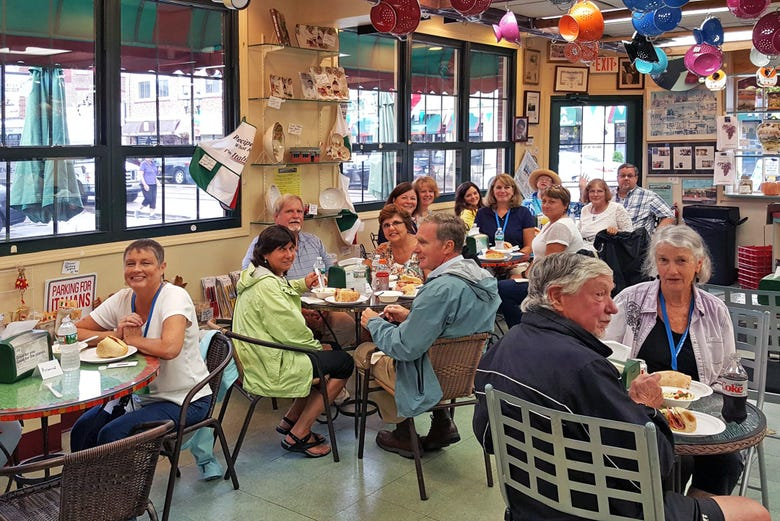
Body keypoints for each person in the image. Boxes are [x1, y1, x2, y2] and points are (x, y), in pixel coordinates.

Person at [473, 253, 770, 521]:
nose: (613, 308)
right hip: (600, 510)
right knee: (752, 512)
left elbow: (487, 439)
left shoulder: (499, 351)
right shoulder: (584, 368)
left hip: (530, 505)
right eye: (600, 294)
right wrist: (647, 409)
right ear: (557, 297)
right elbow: (655, 464)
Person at [604, 224, 740, 497]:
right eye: (664, 260)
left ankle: (694, 510)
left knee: (727, 460)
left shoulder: (715, 311)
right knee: (660, 461)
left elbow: (728, 371)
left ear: (698, 264)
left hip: (699, 411)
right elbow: (607, 357)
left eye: (681, 261)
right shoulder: (630, 301)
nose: (672, 270)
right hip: (642, 410)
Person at [356, 213, 499, 457]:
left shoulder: (439, 289)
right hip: (464, 375)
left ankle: (402, 432)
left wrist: (375, 324)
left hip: (428, 377)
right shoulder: (482, 278)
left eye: (423, 243)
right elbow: (451, 328)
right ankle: (442, 420)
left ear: (447, 246)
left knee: (365, 353)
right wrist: (410, 318)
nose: (416, 250)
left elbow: (404, 348)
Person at [70, 239, 211, 450]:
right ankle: (82, 483)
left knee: (113, 434)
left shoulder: (174, 296)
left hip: (184, 400)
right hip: (137, 398)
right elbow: (73, 333)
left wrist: (132, 340)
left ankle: (116, 483)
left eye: (145, 263)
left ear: (162, 268)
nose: (137, 269)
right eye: (130, 263)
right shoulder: (123, 298)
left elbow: (170, 348)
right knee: (83, 428)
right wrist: (115, 335)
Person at [232, 225, 354, 458]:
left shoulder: (256, 276)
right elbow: (291, 331)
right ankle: (299, 433)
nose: (289, 254)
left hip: (259, 357)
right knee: (343, 362)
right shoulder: (267, 286)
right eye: (282, 249)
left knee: (330, 355)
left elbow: (283, 289)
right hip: (270, 365)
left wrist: (302, 284)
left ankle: (291, 418)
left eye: (291, 248)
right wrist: (318, 347)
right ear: (265, 254)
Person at [241, 194, 355, 347]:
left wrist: (326, 304)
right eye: (289, 212)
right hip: (285, 311)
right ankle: (320, 357)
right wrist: (300, 310)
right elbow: (252, 279)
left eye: (299, 212)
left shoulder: (314, 241)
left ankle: (332, 359)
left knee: (348, 325)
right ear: (276, 217)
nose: (295, 216)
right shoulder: (263, 244)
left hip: (322, 307)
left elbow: (331, 273)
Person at [498, 184, 589, 329]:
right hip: (543, 277)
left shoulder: (561, 227)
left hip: (554, 283)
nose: (546, 205)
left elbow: (549, 266)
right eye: (544, 201)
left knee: (501, 289)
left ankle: (523, 330)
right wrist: (523, 274)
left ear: (565, 205)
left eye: (552, 202)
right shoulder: (550, 224)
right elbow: (539, 257)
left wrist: (524, 276)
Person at [474, 173, 535, 252]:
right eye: (498, 187)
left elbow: (529, 246)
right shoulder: (482, 213)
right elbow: (478, 244)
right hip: (489, 260)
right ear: (493, 191)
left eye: (507, 187)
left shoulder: (524, 213)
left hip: (517, 261)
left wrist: (514, 259)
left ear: (513, 191)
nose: (502, 191)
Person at [614, 162, 675, 235]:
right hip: (612, 241)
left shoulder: (649, 196)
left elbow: (669, 216)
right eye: (623, 176)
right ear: (617, 178)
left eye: (630, 176)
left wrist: (657, 236)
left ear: (636, 178)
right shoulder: (609, 196)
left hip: (637, 243)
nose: (626, 178)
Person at [579, 177, 633, 242]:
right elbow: (578, 232)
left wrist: (616, 232)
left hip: (608, 250)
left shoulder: (617, 208)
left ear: (605, 193)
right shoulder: (585, 209)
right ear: (588, 193)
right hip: (584, 249)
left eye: (599, 191)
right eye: (592, 191)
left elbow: (629, 234)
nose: (595, 194)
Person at [521, 168, 586, 221]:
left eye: (547, 180)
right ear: (536, 183)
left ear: (552, 185)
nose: (544, 181)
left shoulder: (560, 202)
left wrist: (582, 190)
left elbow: (579, 210)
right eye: (541, 179)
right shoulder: (526, 203)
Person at [374, 205, 418, 274]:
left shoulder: (422, 247)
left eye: (396, 223)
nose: (391, 228)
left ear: (407, 225)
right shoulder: (383, 250)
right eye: (386, 225)